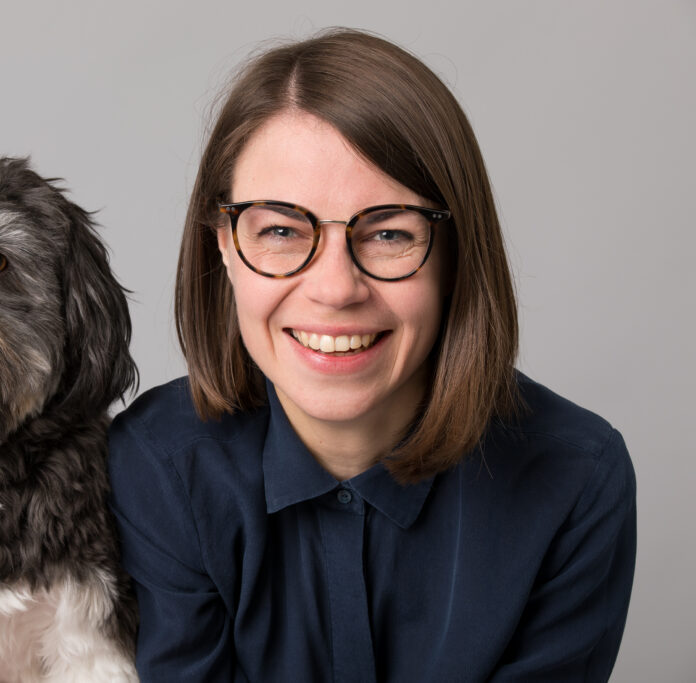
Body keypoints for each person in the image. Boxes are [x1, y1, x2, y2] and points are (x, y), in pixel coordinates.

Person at [107, 28, 636, 682]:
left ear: (454, 253)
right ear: (222, 242)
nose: (334, 289)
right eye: (279, 229)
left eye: (389, 232)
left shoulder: (577, 479)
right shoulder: (153, 468)